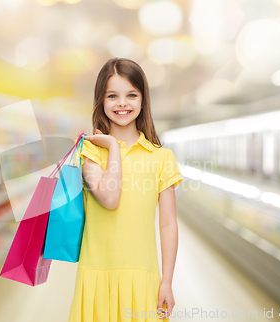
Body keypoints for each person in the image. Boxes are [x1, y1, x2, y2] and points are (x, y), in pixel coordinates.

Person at [68, 58, 183, 322]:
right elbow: (110, 198)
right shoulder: (90, 151)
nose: (122, 103)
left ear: (143, 101)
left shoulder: (161, 157)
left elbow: (168, 224)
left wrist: (166, 281)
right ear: (101, 100)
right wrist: (111, 147)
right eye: (112, 96)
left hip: (144, 278)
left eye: (131, 94)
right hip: (97, 275)